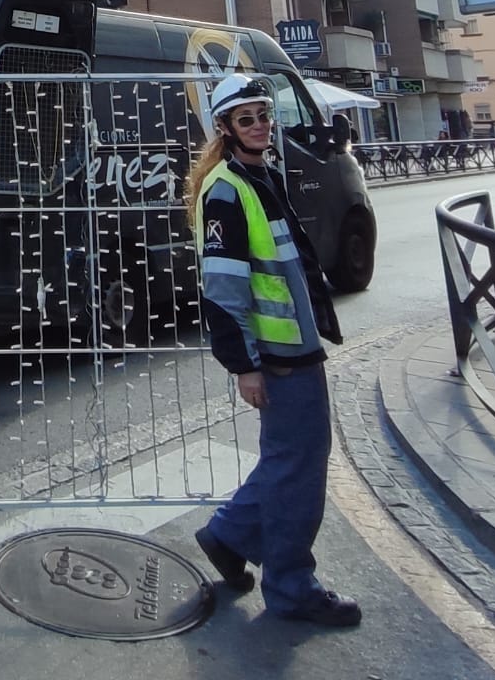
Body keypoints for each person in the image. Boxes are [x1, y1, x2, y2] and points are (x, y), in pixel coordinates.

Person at [187, 74, 359, 627]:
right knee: (298, 468)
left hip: (294, 347)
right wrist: (245, 367)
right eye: (246, 118)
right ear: (225, 128)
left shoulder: (262, 175)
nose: (260, 125)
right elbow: (222, 288)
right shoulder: (227, 190)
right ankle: (291, 589)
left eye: (264, 114)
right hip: (278, 355)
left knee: (292, 459)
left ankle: (229, 535)